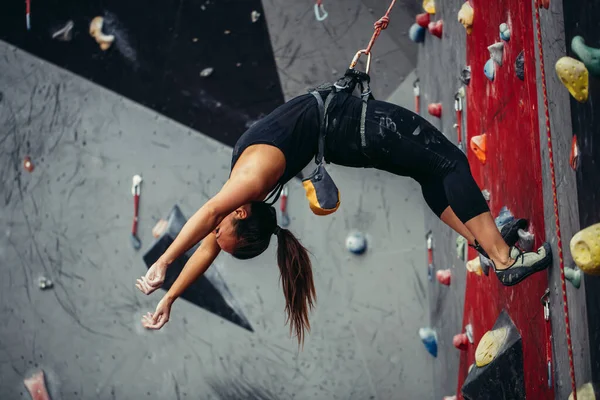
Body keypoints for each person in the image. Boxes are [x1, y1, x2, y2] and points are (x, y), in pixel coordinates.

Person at [135, 80, 553, 345]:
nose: (214, 227)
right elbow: (209, 222)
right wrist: (164, 263)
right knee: (449, 164)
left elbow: (208, 242)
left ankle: (484, 243)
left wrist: (169, 294)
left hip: (352, 137)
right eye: (219, 228)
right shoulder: (250, 182)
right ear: (243, 216)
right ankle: (503, 258)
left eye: (218, 229)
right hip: (360, 129)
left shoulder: (240, 189)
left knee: (428, 174)